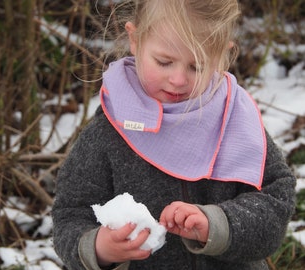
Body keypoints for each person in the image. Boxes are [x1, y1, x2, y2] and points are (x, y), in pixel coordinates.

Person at [52, 0, 296, 269]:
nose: (179, 79)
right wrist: (99, 247)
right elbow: (70, 215)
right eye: (164, 62)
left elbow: (276, 199)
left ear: (220, 55)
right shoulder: (109, 130)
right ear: (135, 39)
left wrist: (218, 224)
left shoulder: (234, 120)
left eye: (197, 66)